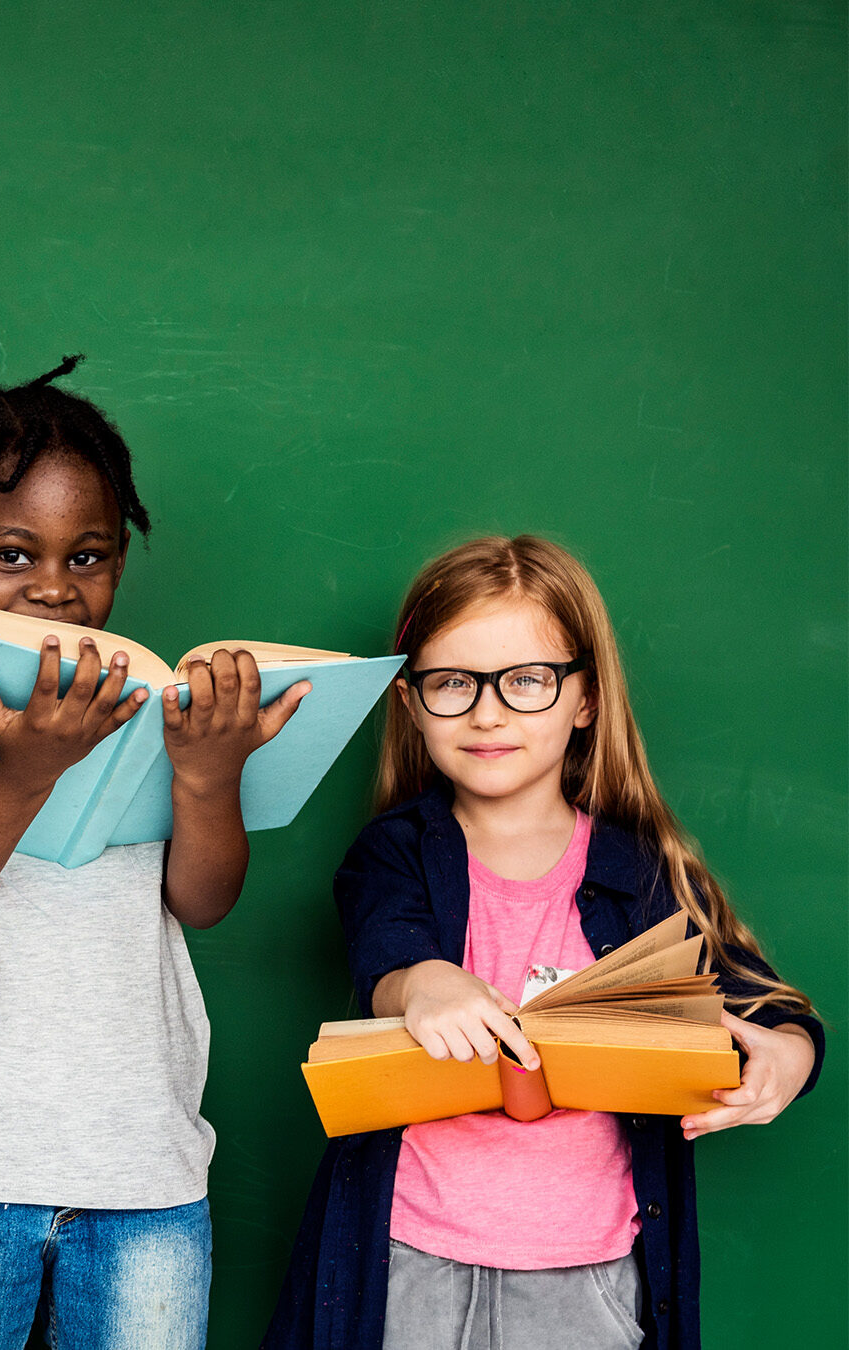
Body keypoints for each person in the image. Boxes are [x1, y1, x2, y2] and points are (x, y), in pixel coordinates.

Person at [0, 358, 306, 1350]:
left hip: (145, 1173)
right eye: (13, 553)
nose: (52, 587)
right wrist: (25, 769)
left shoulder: (156, 703)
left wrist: (209, 778)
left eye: (87, 558)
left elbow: (204, 898)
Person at [264, 535, 824, 1350]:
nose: (487, 713)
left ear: (585, 699)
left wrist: (785, 1058)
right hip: (409, 1259)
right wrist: (424, 984)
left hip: (590, 1278)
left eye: (527, 681)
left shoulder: (643, 872)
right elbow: (385, 949)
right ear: (411, 702)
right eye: (453, 683)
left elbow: (769, 1008)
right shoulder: (395, 853)